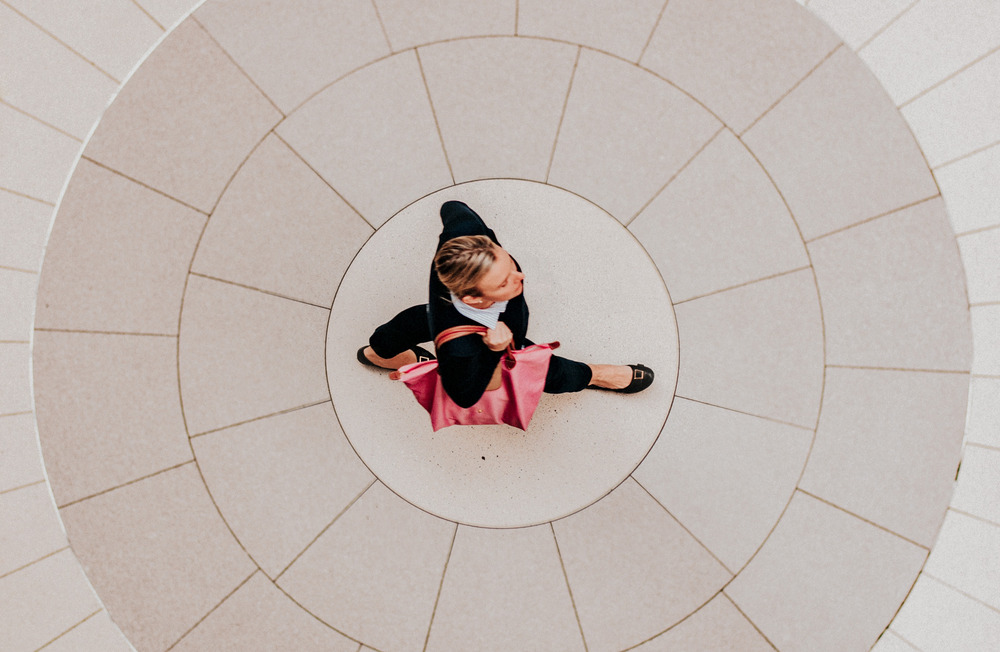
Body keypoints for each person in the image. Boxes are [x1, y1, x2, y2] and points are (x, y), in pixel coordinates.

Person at [357, 200, 653, 408]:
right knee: (538, 369)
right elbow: (464, 395)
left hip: (443, 308)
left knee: (414, 322)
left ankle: (379, 351)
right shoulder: (460, 347)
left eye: (507, 261)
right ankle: (596, 375)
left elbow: (454, 208)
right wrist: (494, 350)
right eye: (503, 283)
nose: (520, 276)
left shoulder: (467, 233)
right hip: (479, 336)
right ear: (473, 298)